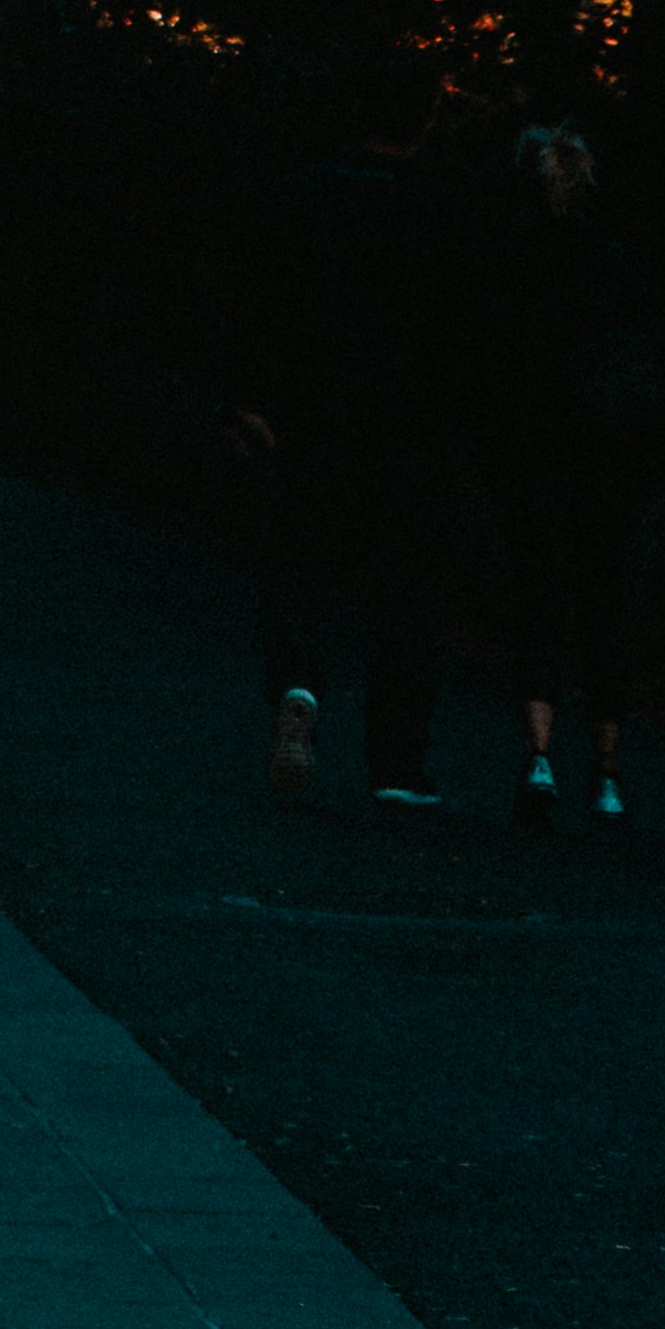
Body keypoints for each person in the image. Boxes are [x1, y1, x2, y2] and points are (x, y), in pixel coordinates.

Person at [231, 57, 474, 809]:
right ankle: (398, 762)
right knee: (409, 594)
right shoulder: (446, 211)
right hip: (415, 429)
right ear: (426, 121)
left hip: (316, 418)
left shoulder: (304, 197)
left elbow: (260, 298)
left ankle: (300, 686)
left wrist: (250, 397)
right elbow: (471, 330)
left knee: (302, 567)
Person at [483, 122, 665, 830]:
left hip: (540, 454)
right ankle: (608, 773)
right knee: (605, 610)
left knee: (540, 603)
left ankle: (538, 756)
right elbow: (651, 363)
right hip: (613, 459)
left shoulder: (518, 259)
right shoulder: (618, 259)